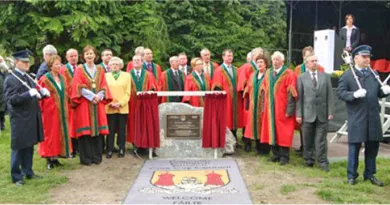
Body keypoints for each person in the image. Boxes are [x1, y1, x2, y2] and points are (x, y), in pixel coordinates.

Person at [337, 45, 390, 186]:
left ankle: (370, 174)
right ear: (356, 58)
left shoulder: (374, 74)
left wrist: (385, 91)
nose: (367, 59)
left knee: (372, 147)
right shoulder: (348, 75)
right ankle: (351, 175)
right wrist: (353, 94)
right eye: (364, 57)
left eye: (368, 57)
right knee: (354, 147)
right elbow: (340, 93)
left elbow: (378, 92)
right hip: (357, 117)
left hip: (372, 117)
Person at [4, 50, 46, 186]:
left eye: (28, 62)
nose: (27, 64)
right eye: (24, 62)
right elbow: (11, 99)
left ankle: (28, 171)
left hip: (30, 116)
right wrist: (28, 94)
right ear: (16, 62)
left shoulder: (26, 77)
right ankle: (16, 176)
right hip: (20, 118)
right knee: (18, 147)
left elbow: (34, 93)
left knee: (29, 146)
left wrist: (42, 93)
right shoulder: (11, 78)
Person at [71, 45, 112, 166]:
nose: (89, 55)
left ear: (95, 56)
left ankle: (97, 157)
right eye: (87, 54)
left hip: (97, 104)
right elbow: (77, 85)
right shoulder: (79, 69)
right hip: (85, 103)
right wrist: (92, 96)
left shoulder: (100, 69)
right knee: (85, 132)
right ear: (83, 56)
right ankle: (86, 158)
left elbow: (104, 84)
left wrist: (99, 95)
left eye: (91, 53)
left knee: (97, 132)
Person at [296, 54, 335, 172]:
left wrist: (331, 111)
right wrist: (299, 114)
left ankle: (322, 161)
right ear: (306, 64)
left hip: (322, 113)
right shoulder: (301, 78)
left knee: (321, 139)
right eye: (312, 61)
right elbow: (299, 98)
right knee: (307, 138)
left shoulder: (325, 77)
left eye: (316, 61)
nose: (314, 63)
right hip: (307, 113)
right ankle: (309, 159)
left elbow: (330, 96)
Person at [261, 51, 297, 165]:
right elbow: (263, 89)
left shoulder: (288, 73)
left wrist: (289, 110)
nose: (275, 62)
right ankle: (275, 154)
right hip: (270, 109)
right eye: (274, 59)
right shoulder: (268, 72)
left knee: (284, 133)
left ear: (282, 61)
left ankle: (284, 157)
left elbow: (292, 93)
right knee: (272, 131)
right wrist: (263, 107)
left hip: (283, 109)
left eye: (277, 59)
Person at [38, 55, 73, 169]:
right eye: (57, 64)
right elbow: (40, 97)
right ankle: (49, 159)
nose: (59, 66)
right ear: (50, 66)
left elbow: (67, 91)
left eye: (60, 64)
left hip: (63, 110)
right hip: (50, 112)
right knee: (50, 134)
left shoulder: (62, 78)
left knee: (60, 133)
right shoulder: (44, 79)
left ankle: (56, 157)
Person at [294, 46, 326, 153]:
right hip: (304, 101)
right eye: (307, 55)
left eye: (311, 55)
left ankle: (315, 149)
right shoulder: (298, 69)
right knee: (303, 126)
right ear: (304, 57)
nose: (310, 58)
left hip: (316, 102)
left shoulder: (320, 68)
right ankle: (304, 147)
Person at [212, 49, 243, 143]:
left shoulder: (236, 70)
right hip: (225, 101)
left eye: (231, 56)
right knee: (226, 120)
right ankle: (227, 141)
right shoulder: (219, 71)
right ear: (223, 57)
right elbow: (217, 87)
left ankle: (234, 139)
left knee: (235, 120)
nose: (230, 57)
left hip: (236, 100)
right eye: (228, 56)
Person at [242, 54, 270, 154]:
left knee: (264, 126)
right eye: (258, 62)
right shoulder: (253, 75)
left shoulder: (269, 75)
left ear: (266, 64)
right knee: (254, 125)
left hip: (264, 106)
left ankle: (264, 149)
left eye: (261, 62)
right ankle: (258, 146)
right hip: (254, 106)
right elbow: (248, 87)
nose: (259, 64)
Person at [127, 55, 158, 145]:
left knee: (145, 123)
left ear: (142, 62)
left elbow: (153, 88)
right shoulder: (127, 75)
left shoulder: (148, 74)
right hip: (132, 103)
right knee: (133, 123)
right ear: (132, 62)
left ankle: (144, 144)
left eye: (138, 60)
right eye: (134, 60)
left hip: (145, 104)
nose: (136, 62)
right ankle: (135, 144)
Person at [105, 57, 131, 158]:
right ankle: (109, 149)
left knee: (121, 130)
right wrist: (110, 102)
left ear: (120, 66)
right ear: (109, 66)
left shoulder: (127, 76)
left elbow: (127, 92)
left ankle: (121, 148)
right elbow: (104, 90)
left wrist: (120, 103)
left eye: (117, 64)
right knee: (110, 130)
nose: (114, 66)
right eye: (112, 64)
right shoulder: (105, 76)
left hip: (122, 107)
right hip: (109, 106)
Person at [60, 48, 79, 158]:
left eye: (75, 55)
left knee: (78, 125)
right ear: (67, 58)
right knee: (69, 126)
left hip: (79, 102)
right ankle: (70, 149)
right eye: (71, 56)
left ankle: (78, 148)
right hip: (68, 103)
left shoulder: (81, 68)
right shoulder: (63, 69)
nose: (73, 58)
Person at [0, 55, 8, 130]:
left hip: (2, 93)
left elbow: (7, 71)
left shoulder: (3, 70)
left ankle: (2, 124)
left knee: (2, 110)